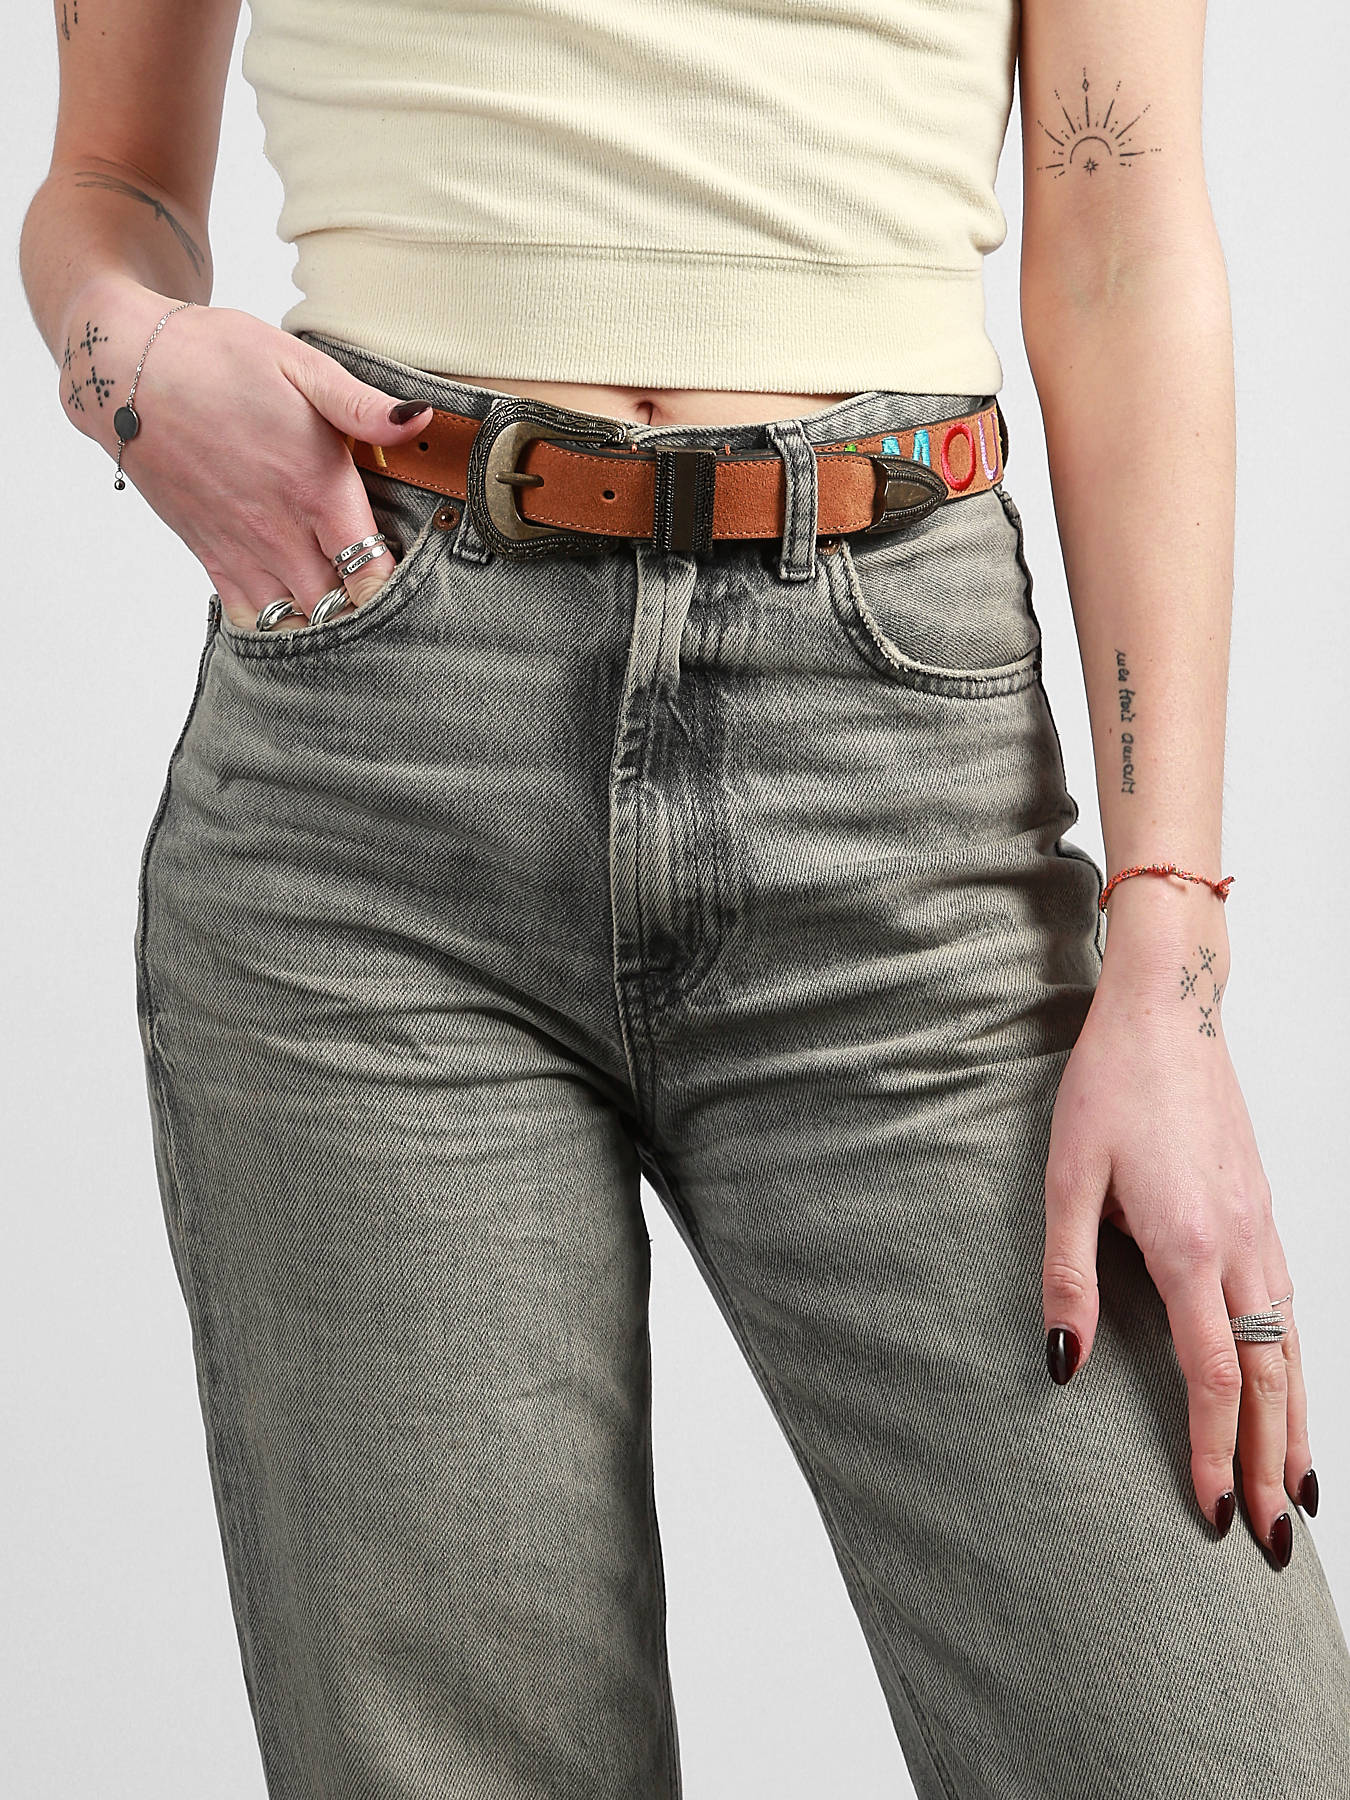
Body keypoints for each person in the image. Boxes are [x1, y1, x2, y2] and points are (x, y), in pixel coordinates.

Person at [21, 0, 1350, 1793]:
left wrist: (1167, 955)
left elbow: (1121, 245)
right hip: (373, 770)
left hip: (892, 769)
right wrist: (122, 354)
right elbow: (107, 182)